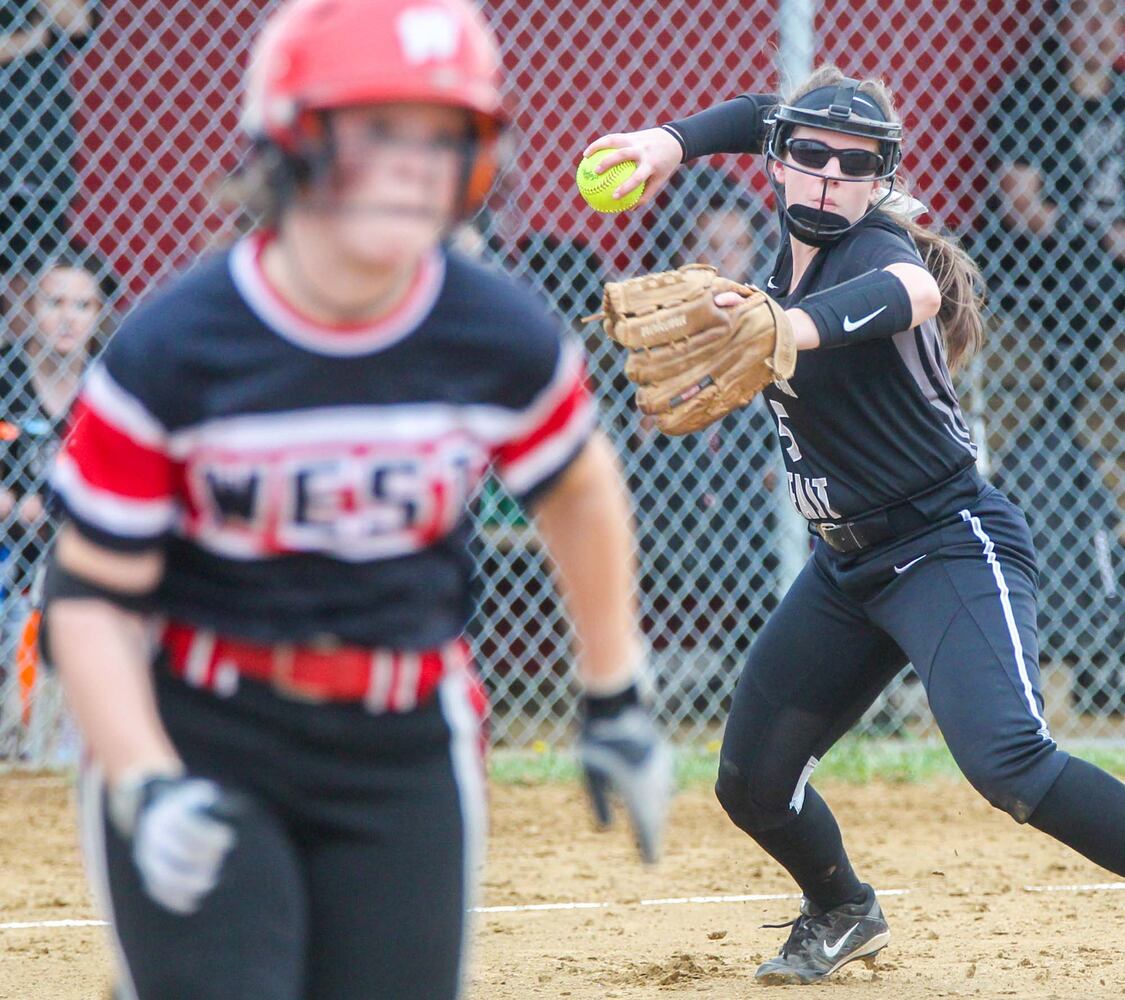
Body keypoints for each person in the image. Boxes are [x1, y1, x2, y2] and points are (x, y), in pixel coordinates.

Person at [43, 2, 670, 998]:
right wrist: (144, 780)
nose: (411, 163)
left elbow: (579, 486)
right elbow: (89, 596)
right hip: (207, 730)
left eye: (442, 136)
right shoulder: (172, 350)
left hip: (401, 741)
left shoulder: (495, 334)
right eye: (375, 129)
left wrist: (615, 693)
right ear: (289, 141)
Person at [583, 64, 1125, 985]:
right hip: (844, 569)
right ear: (778, 163)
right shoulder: (782, 216)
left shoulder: (877, 251)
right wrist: (664, 143)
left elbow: (912, 292)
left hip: (947, 540)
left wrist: (787, 327)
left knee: (1008, 762)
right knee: (748, 784)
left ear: (881, 178)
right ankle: (841, 909)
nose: (830, 174)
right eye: (811, 155)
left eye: (856, 161)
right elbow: (761, 110)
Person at [979, 0, 1123, 714]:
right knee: (1009, 465)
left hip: (1110, 317)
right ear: (1061, 22)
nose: (1102, 29)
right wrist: (1102, 239)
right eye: (1088, 14)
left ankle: (1106, 648)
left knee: (1106, 464)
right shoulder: (1029, 94)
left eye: (1113, 16)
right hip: (1031, 306)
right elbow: (1023, 210)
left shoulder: (1122, 99)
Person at [0, 241, 111, 755]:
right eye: (54, 303)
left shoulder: (113, 381)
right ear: (29, 309)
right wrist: (12, 504)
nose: (67, 319)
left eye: (82, 305)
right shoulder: (5, 377)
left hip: (83, 546)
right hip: (10, 547)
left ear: (99, 315)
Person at [0, 1, 98, 322]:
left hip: (36, 149)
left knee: (28, 278)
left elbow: (78, 25)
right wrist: (32, 40)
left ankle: (15, 368)